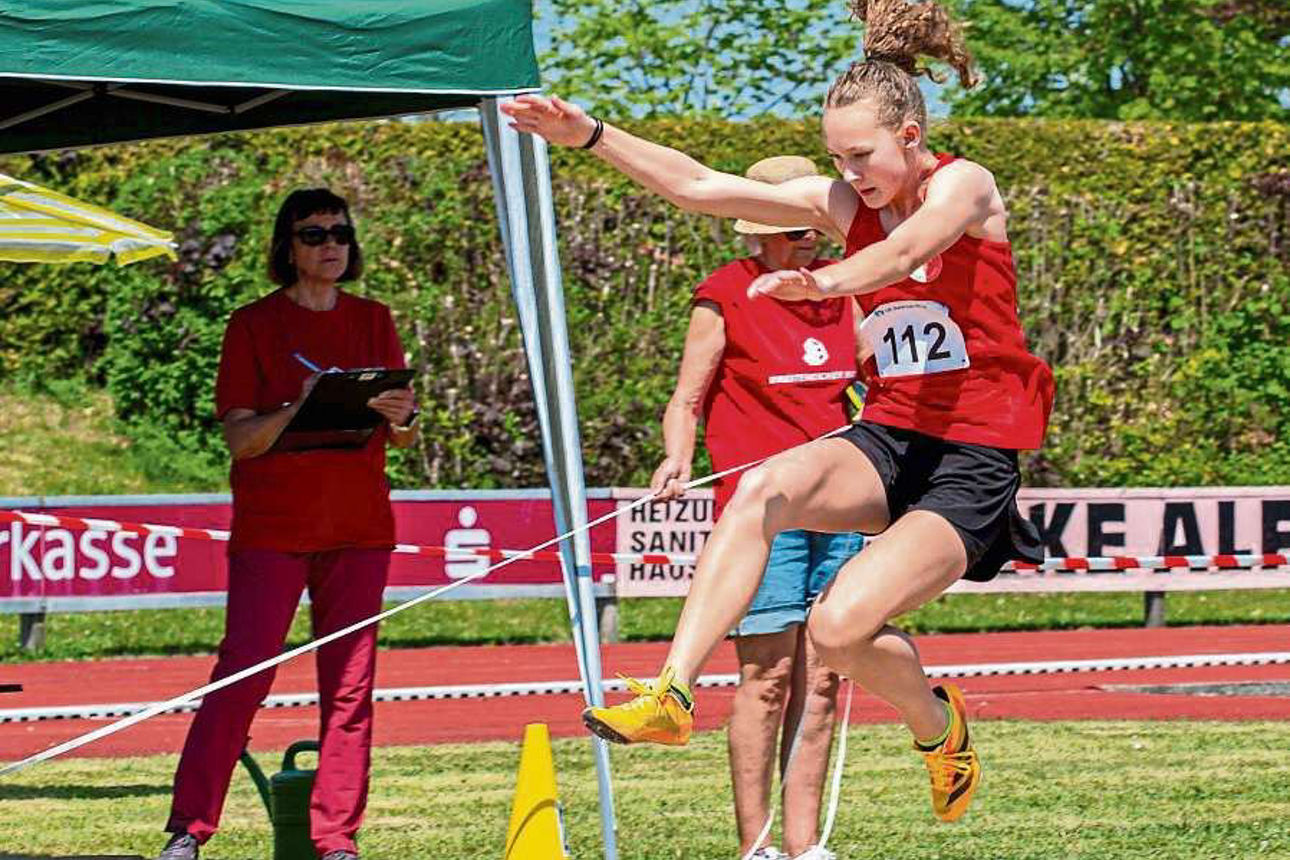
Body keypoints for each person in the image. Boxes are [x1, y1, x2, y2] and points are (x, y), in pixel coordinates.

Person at [502, 0, 1052, 826]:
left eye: (862, 155)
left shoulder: (964, 185)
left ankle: (940, 729)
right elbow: (700, 188)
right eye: (837, 159)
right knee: (762, 488)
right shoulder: (844, 202)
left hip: (970, 456)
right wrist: (589, 134)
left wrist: (822, 283)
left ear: (909, 134)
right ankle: (671, 693)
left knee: (836, 632)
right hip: (889, 437)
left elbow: (907, 253)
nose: (852, 175)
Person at [156, 189, 418, 860]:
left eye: (340, 232)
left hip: (360, 528)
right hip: (273, 529)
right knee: (242, 674)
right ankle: (191, 828)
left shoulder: (374, 318)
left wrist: (404, 418)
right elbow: (240, 440)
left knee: (351, 686)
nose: (330, 243)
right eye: (313, 234)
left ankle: (336, 840)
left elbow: (405, 438)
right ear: (287, 247)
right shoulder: (251, 325)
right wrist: (297, 407)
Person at [651, 154, 864, 860]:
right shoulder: (722, 295)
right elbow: (686, 399)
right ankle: (759, 846)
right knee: (766, 675)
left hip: (839, 511)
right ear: (762, 227)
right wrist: (678, 457)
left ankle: (806, 847)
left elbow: (880, 380)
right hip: (761, 515)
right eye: (798, 224)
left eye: (815, 224)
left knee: (827, 675)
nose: (813, 235)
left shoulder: (845, 292)